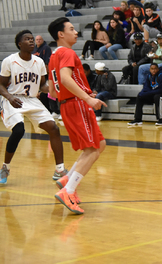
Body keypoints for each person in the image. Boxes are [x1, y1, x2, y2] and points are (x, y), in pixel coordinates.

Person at [47, 17, 107, 215]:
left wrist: (82, 92)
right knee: (92, 150)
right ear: (61, 35)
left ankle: (66, 180)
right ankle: (68, 191)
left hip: (68, 105)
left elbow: (53, 91)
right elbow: (65, 78)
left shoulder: (54, 56)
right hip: (76, 105)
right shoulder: (68, 52)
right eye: (71, 29)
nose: (76, 32)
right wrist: (86, 99)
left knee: (99, 144)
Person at [0, 30, 66, 185]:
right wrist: (10, 97)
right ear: (19, 44)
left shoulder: (39, 62)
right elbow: (1, 85)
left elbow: (42, 84)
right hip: (12, 98)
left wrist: (53, 89)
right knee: (19, 130)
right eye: (27, 39)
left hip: (31, 100)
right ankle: (5, 167)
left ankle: (60, 169)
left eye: (32, 39)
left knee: (53, 128)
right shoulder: (9, 61)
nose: (31, 41)